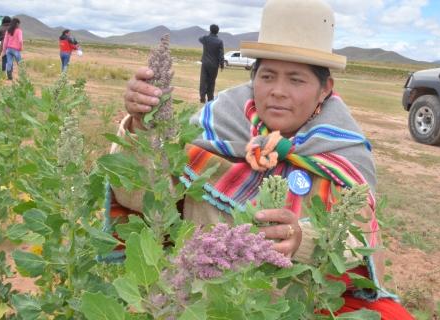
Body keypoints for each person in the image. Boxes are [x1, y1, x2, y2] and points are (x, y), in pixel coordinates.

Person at [114, 0, 414, 318]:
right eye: (268, 76)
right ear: (253, 76)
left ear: (325, 89)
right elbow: (136, 196)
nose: (278, 91)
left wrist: (303, 239)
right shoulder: (215, 124)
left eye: (296, 79)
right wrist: (141, 128)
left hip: (294, 306)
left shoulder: (341, 150)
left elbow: (357, 235)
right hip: (199, 298)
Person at [198, 24, 224, 103]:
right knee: (211, 81)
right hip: (214, 65)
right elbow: (221, 54)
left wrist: (208, 35)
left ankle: (202, 98)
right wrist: (222, 64)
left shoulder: (205, 39)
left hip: (205, 63)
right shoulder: (219, 41)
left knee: (203, 80)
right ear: (217, 31)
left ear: (210, 30)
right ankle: (210, 98)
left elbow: (199, 39)